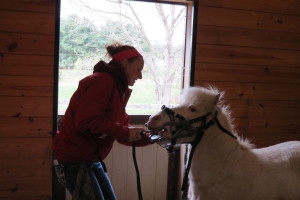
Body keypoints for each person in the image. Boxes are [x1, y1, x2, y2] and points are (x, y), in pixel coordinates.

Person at [52, 42, 152, 200]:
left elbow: (121, 130)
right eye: (139, 69)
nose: (140, 75)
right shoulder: (102, 81)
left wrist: (152, 137)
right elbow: (86, 121)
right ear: (125, 63)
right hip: (75, 159)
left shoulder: (117, 88)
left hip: (91, 159)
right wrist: (125, 131)